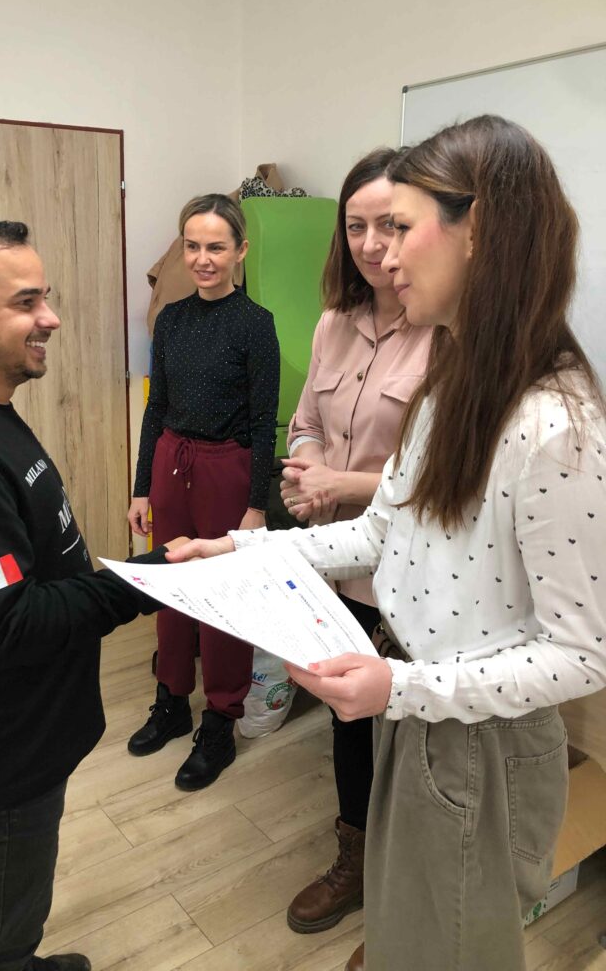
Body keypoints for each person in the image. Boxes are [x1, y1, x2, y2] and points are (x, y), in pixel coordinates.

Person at [168, 116, 606, 971]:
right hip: (416, 705)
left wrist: (400, 686)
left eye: (401, 227)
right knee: (416, 929)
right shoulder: (453, 382)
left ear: (480, 232)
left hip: (475, 735)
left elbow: (583, 655)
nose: (383, 255)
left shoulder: (556, 426)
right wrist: (241, 552)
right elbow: (382, 529)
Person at [0, 220, 186, 971]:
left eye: (45, 297)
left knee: (16, 911)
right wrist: (145, 580)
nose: (51, 317)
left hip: (25, 733)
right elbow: (8, 624)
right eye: (25, 302)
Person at [278, 148, 432, 934]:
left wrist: (341, 484)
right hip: (333, 563)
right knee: (346, 723)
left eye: (391, 225)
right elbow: (305, 421)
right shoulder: (334, 322)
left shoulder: (447, 330)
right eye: (356, 226)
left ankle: (408, 887)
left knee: (411, 737)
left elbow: (446, 481)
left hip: (413, 576)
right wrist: (308, 468)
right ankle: (356, 857)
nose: (373, 245)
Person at [127, 193, 279, 790]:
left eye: (216, 246)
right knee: (170, 586)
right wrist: (142, 487)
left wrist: (257, 505)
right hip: (172, 461)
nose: (202, 259)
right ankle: (171, 700)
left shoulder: (256, 324)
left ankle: (219, 721)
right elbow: (155, 408)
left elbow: (263, 422)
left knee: (222, 598)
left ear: (240, 251)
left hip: (227, 470)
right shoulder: (171, 319)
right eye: (192, 246)